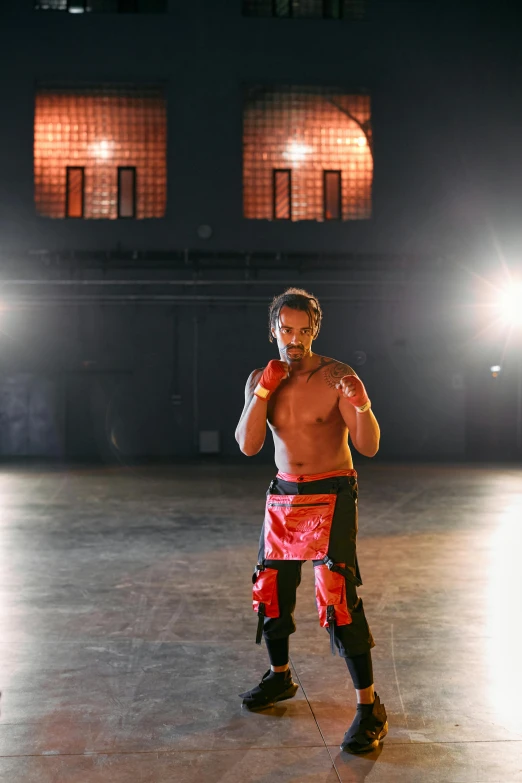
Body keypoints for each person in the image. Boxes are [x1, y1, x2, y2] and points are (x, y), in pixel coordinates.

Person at [234, 288, 388, 754]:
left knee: (336, 596)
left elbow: (369, 446)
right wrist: (263, 390)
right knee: (270, 592)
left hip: (332, 490)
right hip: (283, 494)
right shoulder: (261, 378)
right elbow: (248, 443)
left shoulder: (338, 376)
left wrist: (361, 405)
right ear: (273, 330)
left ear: (315, 330)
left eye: (303, 330)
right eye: (286, 329)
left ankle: (369, 707)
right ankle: (280, 677)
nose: (294, 339)